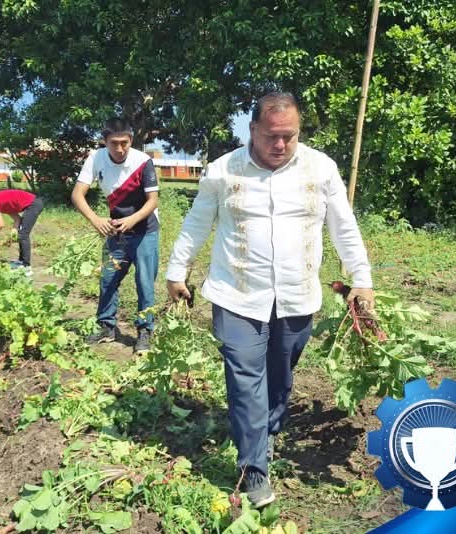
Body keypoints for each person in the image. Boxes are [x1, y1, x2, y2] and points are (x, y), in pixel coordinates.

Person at [165, 92, 374, 507]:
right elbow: (196, 222)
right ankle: (253, 468)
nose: (280, 145)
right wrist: (176, 270)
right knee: (245, 378)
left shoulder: (321, 168)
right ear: (252, 130)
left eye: (289, 136)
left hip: (297, 296)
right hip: (237, 294)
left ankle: (268, 433)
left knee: (281, 375)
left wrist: (362, 279)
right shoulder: (223, 171)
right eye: (271, 136)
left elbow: (344, 227)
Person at [71, 117, 160, 354]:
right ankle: (106, 327)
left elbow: (153, 201)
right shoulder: (95, 158)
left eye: (124, 143)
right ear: (105, 141)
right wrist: (96, 220)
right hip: (116, 231)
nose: (119, 149)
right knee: (108, 279)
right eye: (114, 143)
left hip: (145, 231)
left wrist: (132, 220)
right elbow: (77, 194)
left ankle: (145, 331)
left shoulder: (143, 161)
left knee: (145, 283)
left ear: (131, 140)